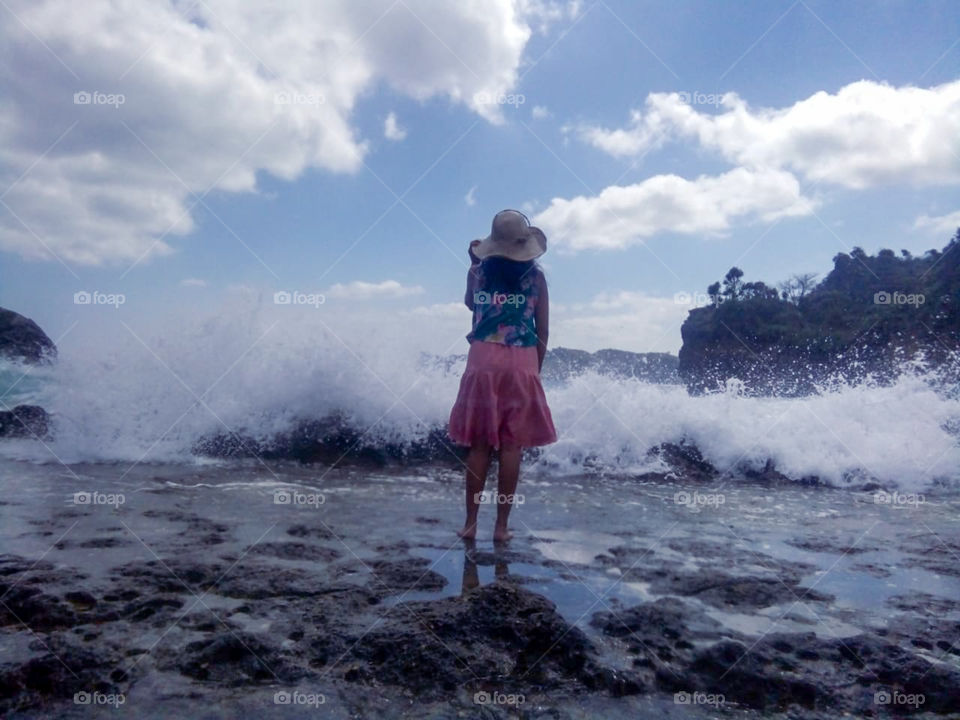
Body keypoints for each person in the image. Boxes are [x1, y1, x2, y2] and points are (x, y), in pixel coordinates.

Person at [448, 209, 557, 542]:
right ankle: (501, 527)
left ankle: (470, 524)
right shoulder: (536, 278)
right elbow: (544, 329)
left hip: (483, 359)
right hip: (522, 361)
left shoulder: (479, 274)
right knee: (512, 448)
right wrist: (533, 368)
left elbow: (472, 304)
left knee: (479, 446)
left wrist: (472, 263)